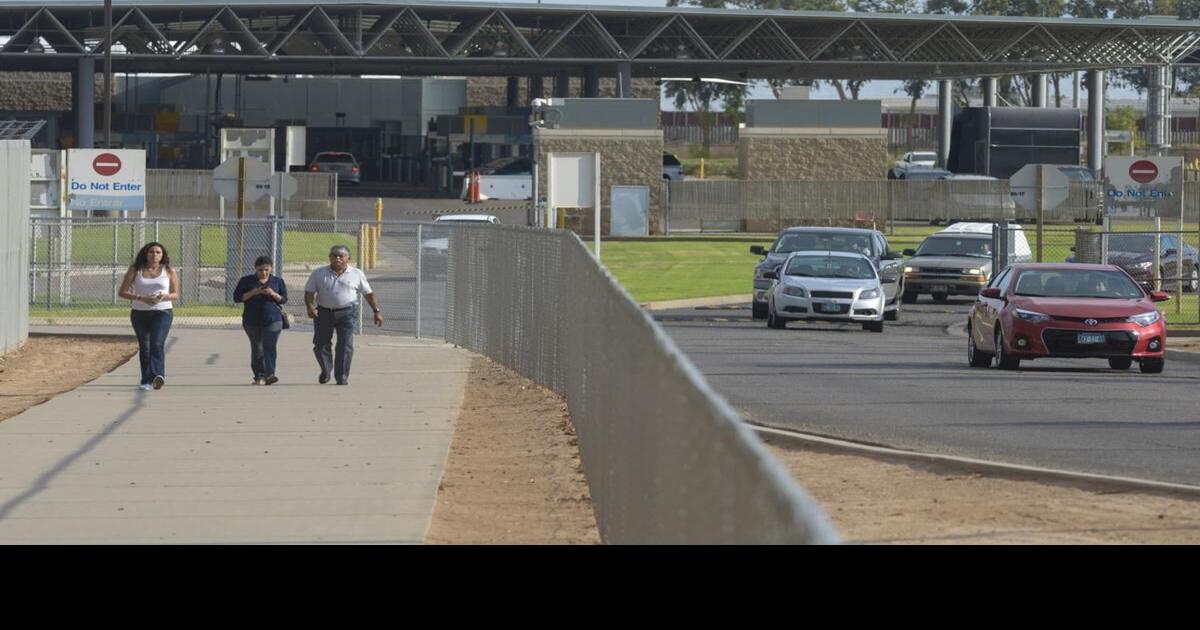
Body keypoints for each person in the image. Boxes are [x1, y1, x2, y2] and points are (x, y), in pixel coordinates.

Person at [304, 245, 384, 385]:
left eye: (341, 256)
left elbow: (368, 294)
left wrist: (376, 311)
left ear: (349, 258)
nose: (337, 258)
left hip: (347, 313)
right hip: (323, 313)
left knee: (345, 345)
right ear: (330, 257)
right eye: (334, 255)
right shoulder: (319, 273)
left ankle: (341, 376)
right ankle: (326, 370)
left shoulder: (357, 273)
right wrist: (310, 307)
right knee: (320, 345)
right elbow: (309, 292)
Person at [118, 242, 180, 391]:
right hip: (140, 313)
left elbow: (176, 294)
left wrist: (163, 297)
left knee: (157, 344)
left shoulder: (169, 270)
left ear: (163, 255)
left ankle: (158, 376)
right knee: (145, 346)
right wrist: (141, 298)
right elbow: (122, 292)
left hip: (162, 312)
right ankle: (146, 380)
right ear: (145, 254)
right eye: (151, 252)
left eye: (158, 252)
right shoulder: (136, 270)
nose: (155, 255)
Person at [234, 255, 288, 386]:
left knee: (269, 347)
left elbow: (284, 299)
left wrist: (272, 293)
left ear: (270, 269)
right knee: (257, 347)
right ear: (255, 269)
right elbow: (237, 298)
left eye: (266, 270)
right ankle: (259, 376)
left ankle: (270, 374)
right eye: (260, 270)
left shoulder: (277, 281)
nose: (263, 272)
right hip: (252, 320)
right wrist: (255, 292)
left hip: (273, 319)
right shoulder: (246, 281)